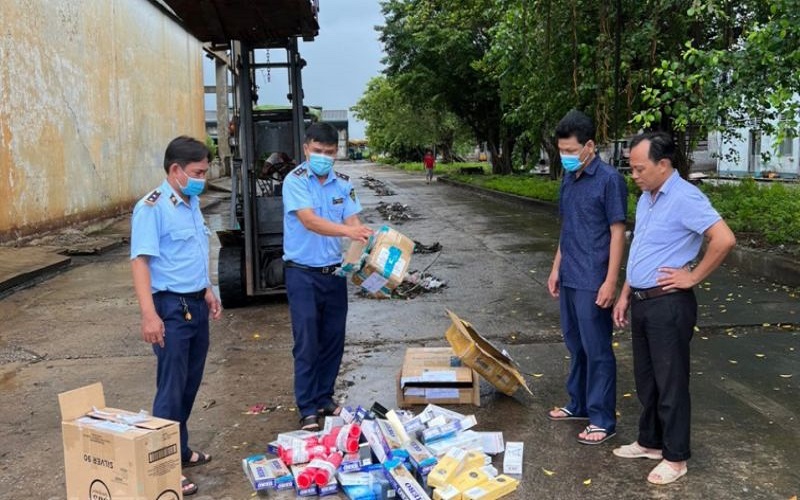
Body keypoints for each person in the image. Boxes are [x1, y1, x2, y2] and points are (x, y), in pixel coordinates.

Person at [612, 132, 735, 485]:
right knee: (647, 380)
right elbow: (642, 252)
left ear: (663, 165)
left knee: (671, 382)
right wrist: (624, 294)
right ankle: (650, 441)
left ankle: (676, 456)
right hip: (642, 301)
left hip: (669, 304)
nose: (633, 175)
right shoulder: (649, 198)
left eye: (639, 168)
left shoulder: (685, 197)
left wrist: (693, 276)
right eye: (631, 169)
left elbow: (724, 239)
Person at [130, 136, 223, 497]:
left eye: (205, 170)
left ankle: (179, 450)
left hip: (195, 303)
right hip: (169, 308)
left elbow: (194, 252)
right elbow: (140, 262)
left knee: (189, 384)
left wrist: (208, 288)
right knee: (170, 389)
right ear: (175, 170)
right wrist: (149, 315)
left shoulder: (192, 201)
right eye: (198, 172)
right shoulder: (152, 208)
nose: (203, 177)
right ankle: (163, 468)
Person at [282, 122, 373, 431]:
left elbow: (353, 220)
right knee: (307, 341)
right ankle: (307, 406)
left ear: (336, 154)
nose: (323, 156)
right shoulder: (295, 181)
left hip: (334, 273)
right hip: (302, 274)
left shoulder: (343, 184)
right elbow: (309, 221)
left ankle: (325, 397)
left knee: (333, 338)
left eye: (329, 153)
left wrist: (366, 245)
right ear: (306, 149)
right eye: (317, 151)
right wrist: (349, 231)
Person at [546, 109, 628, 446]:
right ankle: (577, 404)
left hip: (594, 278)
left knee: (597, 350)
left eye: (569, 150)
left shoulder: (610, 180)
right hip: (569, 276)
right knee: (575, 345)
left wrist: (611, 281)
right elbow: (568, 227)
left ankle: (602, 419)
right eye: (561, 151)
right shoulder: (569, 178)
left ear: (589, 146)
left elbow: (617, 232)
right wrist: (555, 268)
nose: (564, 156)